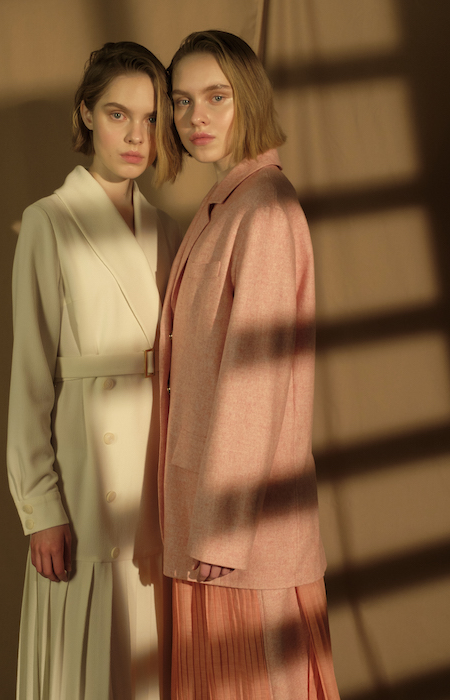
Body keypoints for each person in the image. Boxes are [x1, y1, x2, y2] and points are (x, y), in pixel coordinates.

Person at [157, 31, 340, 699]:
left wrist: (223, 531)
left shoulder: (263, 209)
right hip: (207, 517)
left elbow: (256, 384)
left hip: (240, 535)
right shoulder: (228, 204)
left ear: (249, 100)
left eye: (216, 97)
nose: (195, 118)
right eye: (181, 101)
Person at [7, 41, 182, 700]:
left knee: (145, 655)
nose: (137, 136)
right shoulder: (48, 222)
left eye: (151, 118)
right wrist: (40, 507)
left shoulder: (167, 229)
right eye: (118, 114)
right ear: (86, 114)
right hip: (85, 481)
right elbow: (30, 378)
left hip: (155, 474)